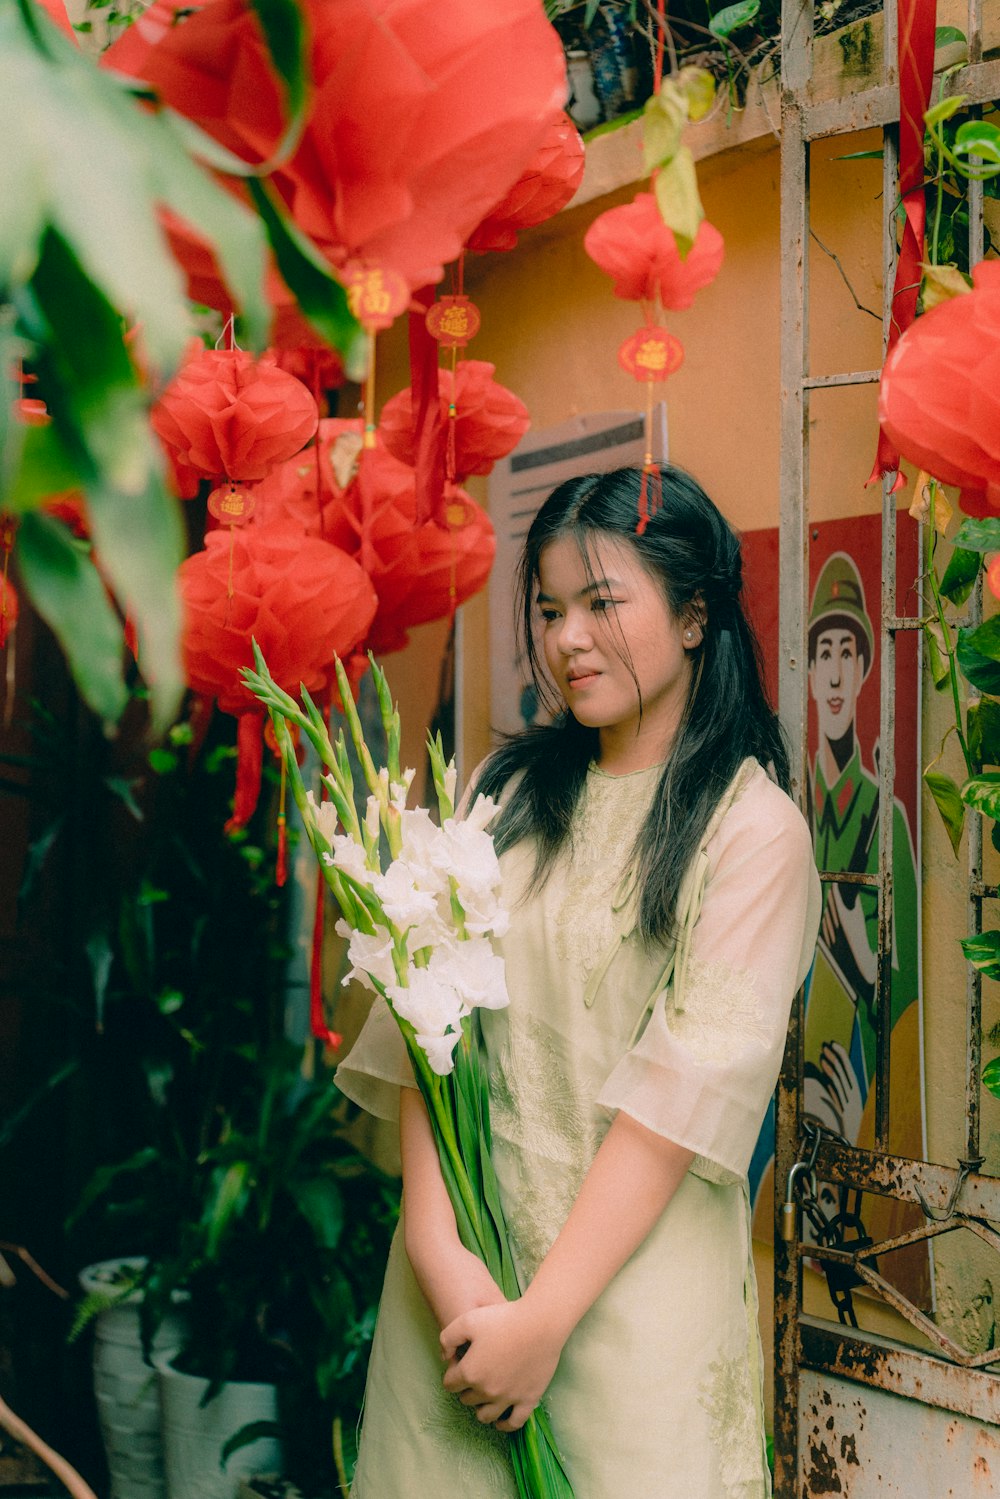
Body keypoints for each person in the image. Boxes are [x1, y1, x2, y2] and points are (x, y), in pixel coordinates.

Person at [336, 465, 821, 1498]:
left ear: (694, 616)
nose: (566, 639)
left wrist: (542, 1320)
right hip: (458, 1307)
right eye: (550, 608)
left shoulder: (751, 830)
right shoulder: (506, 793)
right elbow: (433, 1024)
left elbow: (672, 1110)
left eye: (603, 602)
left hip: (625, 1327)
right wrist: (436, 1247)